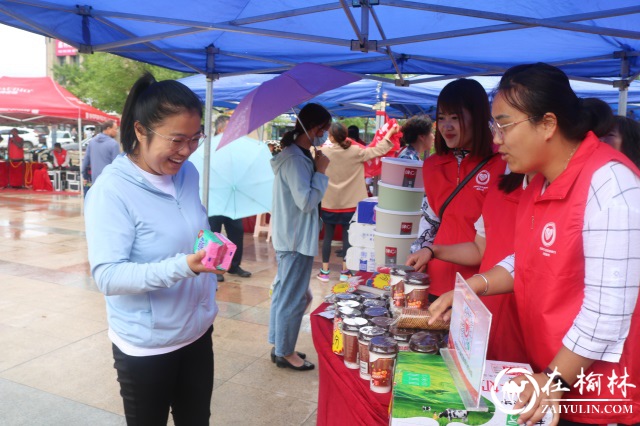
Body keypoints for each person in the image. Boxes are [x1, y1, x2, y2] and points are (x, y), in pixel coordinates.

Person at [430, 63, 640, 425]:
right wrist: (472, 288)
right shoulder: (535, 181)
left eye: (504, 124)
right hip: (548, 371)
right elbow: (526, 260)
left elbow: (608, 312)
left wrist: (554, 379)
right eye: (494, 125)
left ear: (547, 124)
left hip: (595, 389)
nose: (495, 138)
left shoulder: (611, 185)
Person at [84, 73, 221, 425]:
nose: (187, 150)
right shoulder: (111, 191)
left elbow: (193, 226)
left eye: (195, 138)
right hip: (146, 346)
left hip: (197, 331)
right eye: (177, 139)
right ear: (141, 130)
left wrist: (211, 247)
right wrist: (185, 266)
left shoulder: (187, 173)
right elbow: (108, 276)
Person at [406, 78, 506, 301]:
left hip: (483, 281)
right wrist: (419, 255)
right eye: (441, 118)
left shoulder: (505, 161)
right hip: (436, 275)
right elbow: (430, 220)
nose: (446, 126)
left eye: (455, 118)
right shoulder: (432, 165)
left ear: (477, 117)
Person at [269, 103, 331, 371]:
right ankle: (285, 351)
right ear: (315, 129)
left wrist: (315, 167)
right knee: (294, 298)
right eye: (325, 130)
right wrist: (320, 172)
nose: (326, 136)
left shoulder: (298, 155)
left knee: (286, 294)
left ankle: (279, 344)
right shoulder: (296, 159)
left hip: (291, 236)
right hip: (295, 240)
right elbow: (305, 202)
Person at [317, 121, 395, 282]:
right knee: (348, 237)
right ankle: (345, 271)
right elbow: (379, 150)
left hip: (328, 203)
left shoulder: (322, 152)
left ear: (330, 137)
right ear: (345, 135)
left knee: (328, 237)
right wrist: (390, 133)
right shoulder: (356, 151)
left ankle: (324, 272)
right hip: (351, 204)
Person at [206, 115, 251, 281]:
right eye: (229, 127)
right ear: (220, 130)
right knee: (215, 233)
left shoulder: (235, 148)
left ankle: (234, 265)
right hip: (215, 197)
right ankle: (214, 267)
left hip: (232, 197)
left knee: (237, 231)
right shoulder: (209, 148)